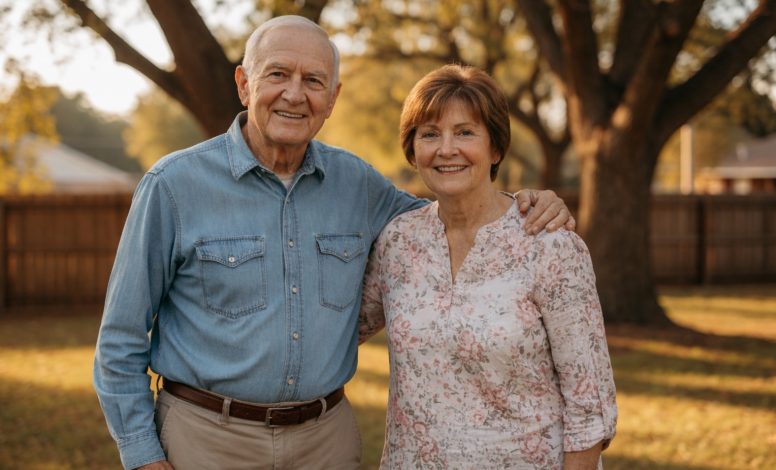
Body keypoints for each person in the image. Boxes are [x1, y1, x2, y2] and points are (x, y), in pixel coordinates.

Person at [93, 16, 574, 470]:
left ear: (333, 96)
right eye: (278, 74)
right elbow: (120, 338)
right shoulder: (173, 186)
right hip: (207, 439)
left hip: (326, 441)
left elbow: (449, 214)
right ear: (244, 84)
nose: (294, 95)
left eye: (314, 80)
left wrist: (522, 203)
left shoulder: (357, 183)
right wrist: (143, 456)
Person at [358, 64, 617, 469]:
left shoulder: (550, 245)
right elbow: (337, 329)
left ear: (496, 148)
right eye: (430, 134)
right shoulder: (398, 242)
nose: (447, 149)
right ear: (413, 152)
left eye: (465, 132)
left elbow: (590, 407)